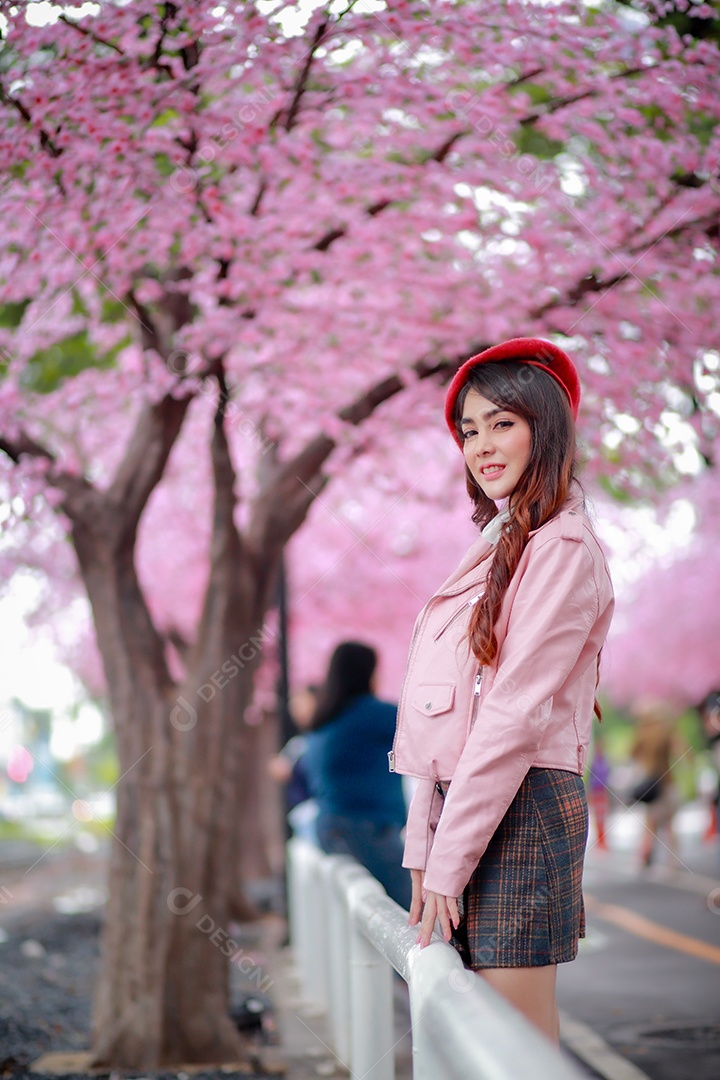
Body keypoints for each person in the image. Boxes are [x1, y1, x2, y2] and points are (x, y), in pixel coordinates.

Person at [390, 338, 614, 1043]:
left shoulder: (563, 548)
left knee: (513, 1043)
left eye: (502, 423)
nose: (481, 445)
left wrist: (446, 862)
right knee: (473, 1032)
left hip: (525, 803)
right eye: (469, 429)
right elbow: (441, 720)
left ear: (545, 429)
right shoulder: (496, 541)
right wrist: (424, 853)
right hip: (475, 804)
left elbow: (513, 715)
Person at [302, 641, 411, 909]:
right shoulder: (374, 714)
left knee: (367, 907)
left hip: (330, 825)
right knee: (412, 910)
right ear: (365, 673)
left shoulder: (325, 719)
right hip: (366, 828)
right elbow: (426, 730)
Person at [629, 703, 680, 868]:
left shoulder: (642, 733)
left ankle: (644, 856)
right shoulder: (666, 733)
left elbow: (632, 755)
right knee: (669, 824)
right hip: (667, 781)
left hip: (651, 783)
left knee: (650, 824)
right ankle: (672, 861)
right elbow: (681, 749)